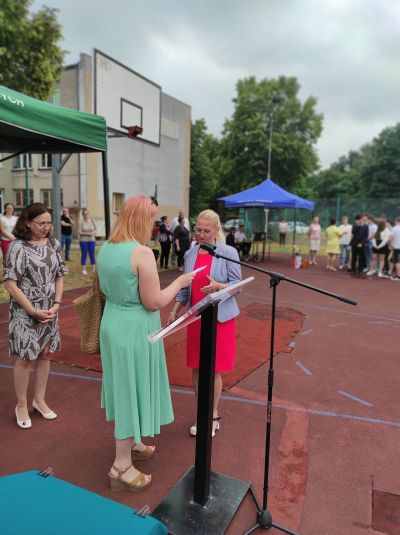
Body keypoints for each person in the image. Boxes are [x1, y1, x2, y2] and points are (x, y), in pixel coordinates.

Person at [96, 196, 196, 492]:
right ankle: (121, 465)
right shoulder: (141, 253)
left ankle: (134, 441)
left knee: (126, 385)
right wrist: (180, 282)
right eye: (151, 218)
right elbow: (154, 302)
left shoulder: (107, 247)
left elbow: (103, 289)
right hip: (134, 329)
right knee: (131, 389)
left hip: (113, 322)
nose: (153, 224)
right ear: (140, 219)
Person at [168, 209, 242, 438]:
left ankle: (211, 416)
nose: (201, 234)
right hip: (196, 318)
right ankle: (204, 413)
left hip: (220, 319)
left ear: (216, 230)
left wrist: (219, 287)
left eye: (206, 231)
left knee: (213, 369)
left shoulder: (228, 252)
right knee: (197, 368)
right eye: (198, 230)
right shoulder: (190, 253)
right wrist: (174, 311)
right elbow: (185, 288)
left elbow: (238, 284)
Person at [3, 203, 68, 429]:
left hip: (49, 309)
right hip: (25, 311)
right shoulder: (17, 247)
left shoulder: (53, 244)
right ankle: (21, 404)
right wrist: (32, 310)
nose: (46, 227)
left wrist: (57, 304)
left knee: (45, 354)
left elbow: (60, 275)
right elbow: (10, 284)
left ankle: (39, 401)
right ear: (28, 223)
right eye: (42, 223)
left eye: (49, 223)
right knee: (26, 357)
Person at [79, 209, 97, 275]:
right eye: (84, 214)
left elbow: (95, 229)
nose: (86, 215)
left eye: (87, 213)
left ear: (89, 214)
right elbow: (79, 232)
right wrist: (88, 234)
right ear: (83, 215)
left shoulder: (92, 221)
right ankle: (83, 269)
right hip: (83, 240)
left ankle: (93, 268)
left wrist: (93, 233)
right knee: (84, 254)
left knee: (92, 254)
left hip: (92, 240)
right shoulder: (81, 222)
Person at [390, 216, 400, 281]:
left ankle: (399, 276)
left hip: (396, 247)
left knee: (396, 262)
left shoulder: (394, 228)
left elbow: (390, 237)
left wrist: (390, 245)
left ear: (397, 221)